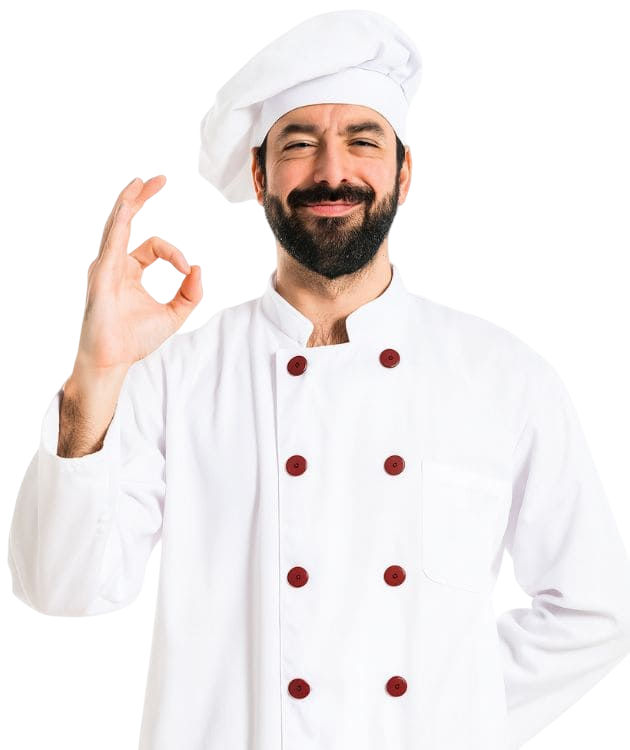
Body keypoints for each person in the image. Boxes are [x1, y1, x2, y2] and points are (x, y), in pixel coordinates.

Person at [7, 9, 630, 750]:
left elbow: (596, 612)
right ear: (260, 176)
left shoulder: (504, 376)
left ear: (404, 172)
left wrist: (450, 720)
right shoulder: (174, 375)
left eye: (362, 141)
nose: (332, 172)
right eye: (299, 144)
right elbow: (62, 590)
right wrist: (97, 371)